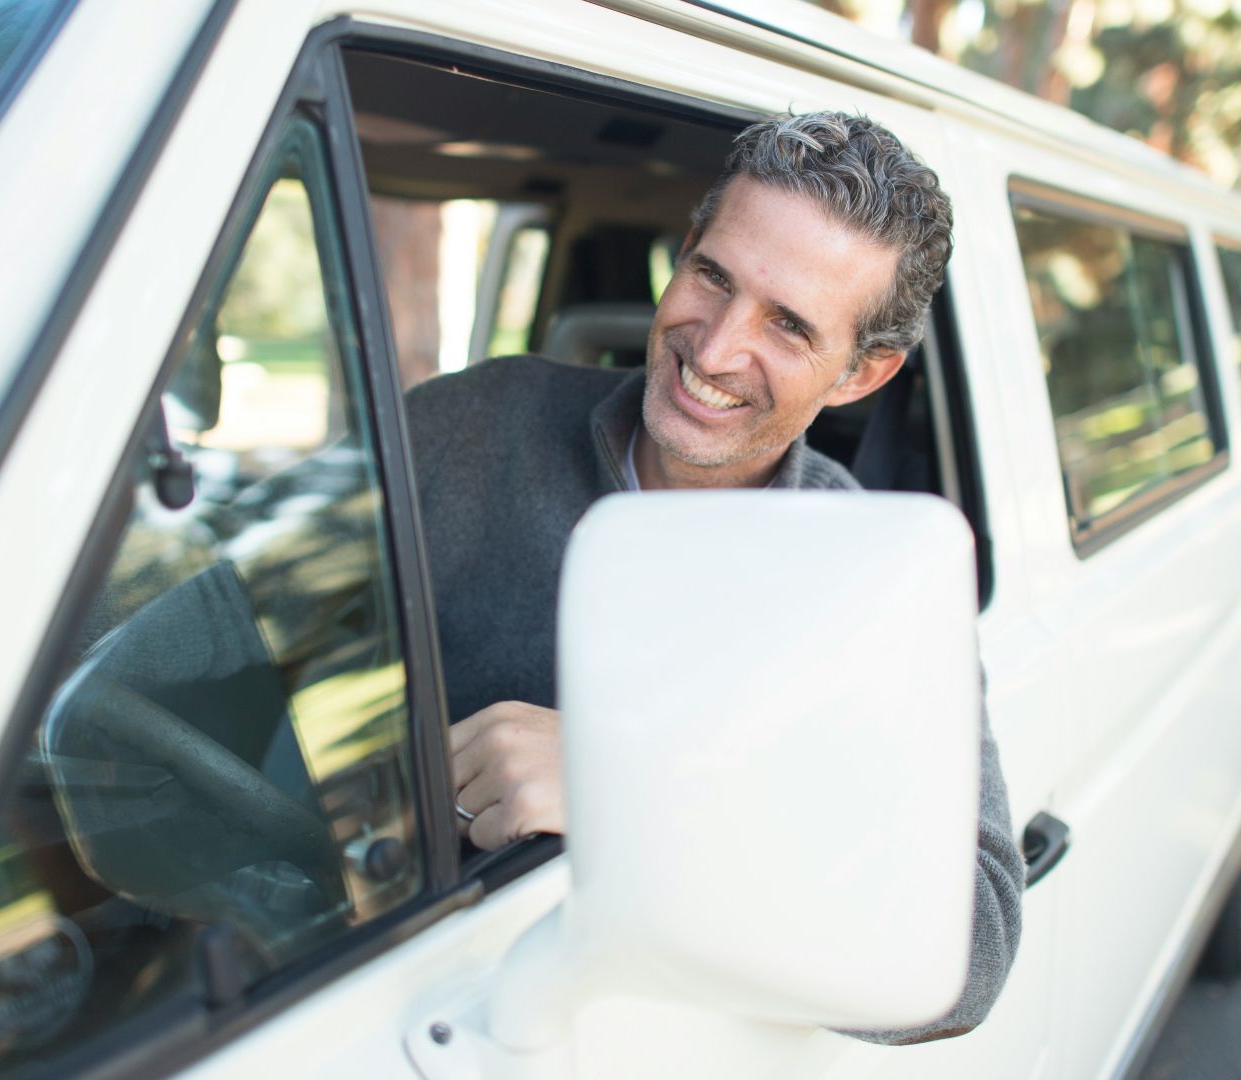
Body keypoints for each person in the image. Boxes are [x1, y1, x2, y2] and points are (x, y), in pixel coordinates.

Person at [403, 112, 1021, 1044]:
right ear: (685, 250)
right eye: (713, 277)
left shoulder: (874, 582)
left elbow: (971, 950)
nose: (717, 348)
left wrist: (637, 796)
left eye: (788, 325)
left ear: (863, 373)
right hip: (363, 995)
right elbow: (198, 641)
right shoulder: (472, 424)